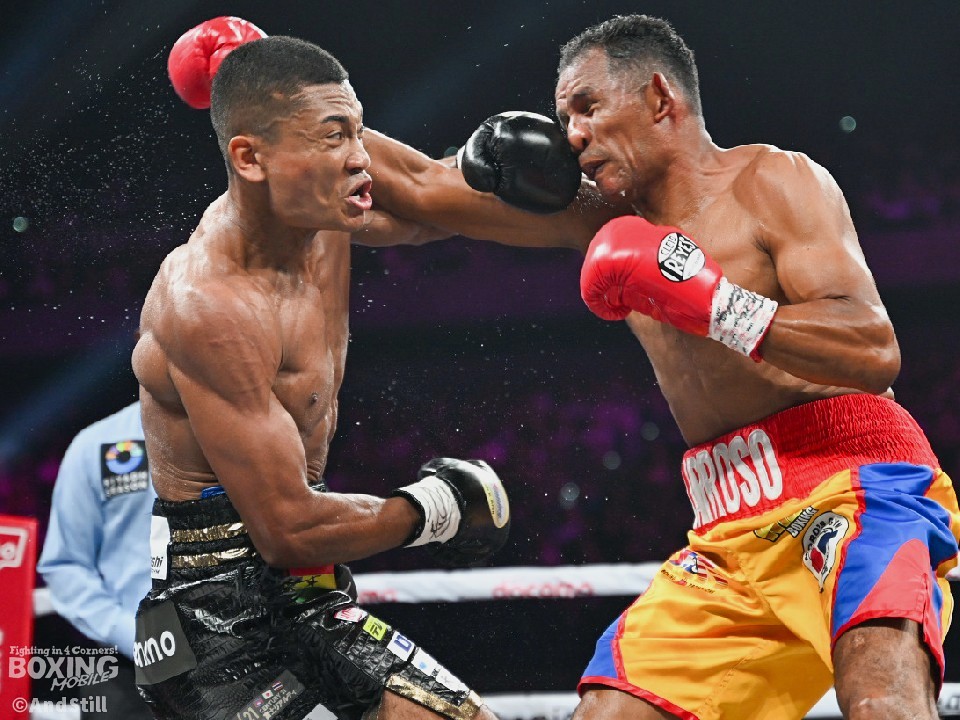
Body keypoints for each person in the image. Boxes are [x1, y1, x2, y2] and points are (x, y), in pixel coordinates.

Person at [360, 13, 960, 720]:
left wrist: (715, 303)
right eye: (564, 117)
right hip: (727, 527)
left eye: (587, 106)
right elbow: (418, 185)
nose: (571, 134)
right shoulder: (598, 218)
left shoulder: (773, 180)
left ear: (658, 98)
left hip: (853, 488)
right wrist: (283, 92)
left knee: (883, 697)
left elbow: (871, 349)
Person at [134, 22, 510, 720]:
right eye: (337, 136)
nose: (361, 156)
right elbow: (287, 529)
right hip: (214, 627)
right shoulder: (207, 303)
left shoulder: (326, 215)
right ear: (250, 158)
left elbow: (429, 207)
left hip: (308, 597)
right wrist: (435, 509)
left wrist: (508, 171)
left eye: (358, 132)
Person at [38, 400, 155, 719]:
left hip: (244, 649)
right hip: (127, 667)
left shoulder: (251, 432)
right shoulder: (98, 444)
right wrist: (136, 639)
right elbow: (65, 566)